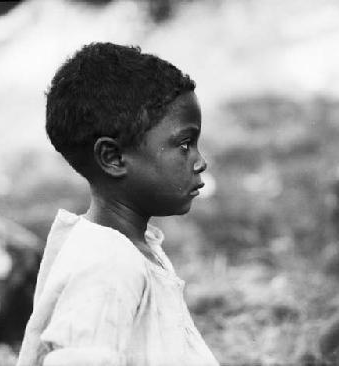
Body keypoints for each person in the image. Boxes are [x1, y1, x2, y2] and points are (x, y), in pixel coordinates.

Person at [16, 42, 219, 366]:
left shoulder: (129, 247)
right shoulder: (107, 265)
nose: (200, 162)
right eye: (184, 144)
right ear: (112, 157)